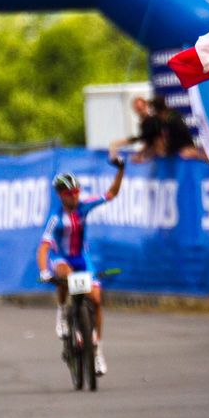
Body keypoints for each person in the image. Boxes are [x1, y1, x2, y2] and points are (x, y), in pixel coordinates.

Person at [37, 157, 125, 376]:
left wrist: (121, 170)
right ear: (60, 196)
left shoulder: (84, 206)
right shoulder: (56, 218)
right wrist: (44, 271)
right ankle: (61, 313)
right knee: (63, 275)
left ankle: (97, 352)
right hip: (62, 258)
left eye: (77, 192)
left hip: (82, 258)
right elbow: (43, 248)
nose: (75, 196)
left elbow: (111, 194)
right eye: (70, 194)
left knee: (96, 299)